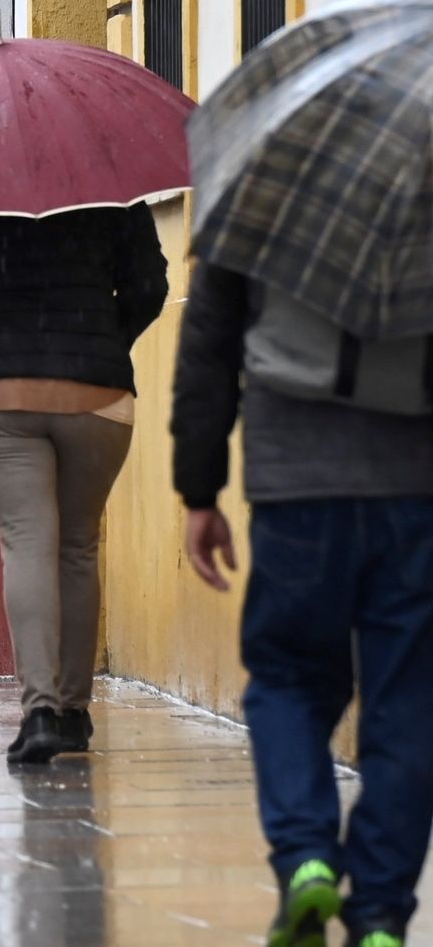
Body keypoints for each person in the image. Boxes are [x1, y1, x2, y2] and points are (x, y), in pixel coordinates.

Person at [173, 264, 433, 947]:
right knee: (407, 703)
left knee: (287, 679)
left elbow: (209, 341)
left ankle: (307, 858)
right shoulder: (420, 179)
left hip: (296, 483)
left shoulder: (262, 182)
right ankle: (379, 914)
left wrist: (200, 489)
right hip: (414, 482)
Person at [0, 205, 168, 765]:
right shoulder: (114, 195)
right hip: (96, 395)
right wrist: (100, 339)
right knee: (76, 547)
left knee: (27, 540)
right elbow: (150, 287)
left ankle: (39, 714)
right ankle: (75, 714)